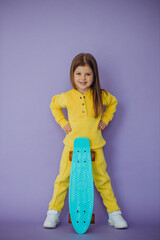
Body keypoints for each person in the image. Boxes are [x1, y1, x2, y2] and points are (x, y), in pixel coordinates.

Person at [43, 53, 128, 229]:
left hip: (95, 147)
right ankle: (53, 213)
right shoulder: (67, 96)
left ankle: (114, 213)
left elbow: (113, 103)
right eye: (79, 74)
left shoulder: (100, 95)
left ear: (94, 76)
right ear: (72, 75)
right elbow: (54, 105)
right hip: (72, 148)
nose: (83, 78)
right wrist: (63, 123)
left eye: (88, 74)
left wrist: (106, 119)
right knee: (62, 180)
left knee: (102, 180)